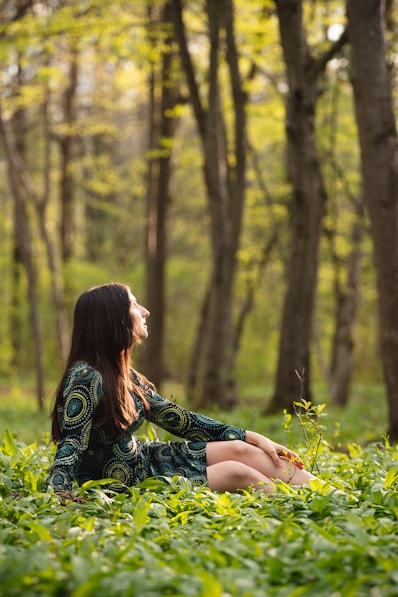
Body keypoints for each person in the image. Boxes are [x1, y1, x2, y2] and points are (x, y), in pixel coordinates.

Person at [45, 283, 315, 499]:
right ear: (113, 319)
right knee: (235, 471)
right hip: (122, 484)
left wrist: (253, 437)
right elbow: (72, 444)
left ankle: (327, 492)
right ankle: (302, 503)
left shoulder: (124, 377)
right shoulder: (85, 378)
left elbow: (182, 420)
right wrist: (58, 493)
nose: (145, 311)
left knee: (239, 450)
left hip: (145, 459)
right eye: (134, 304)